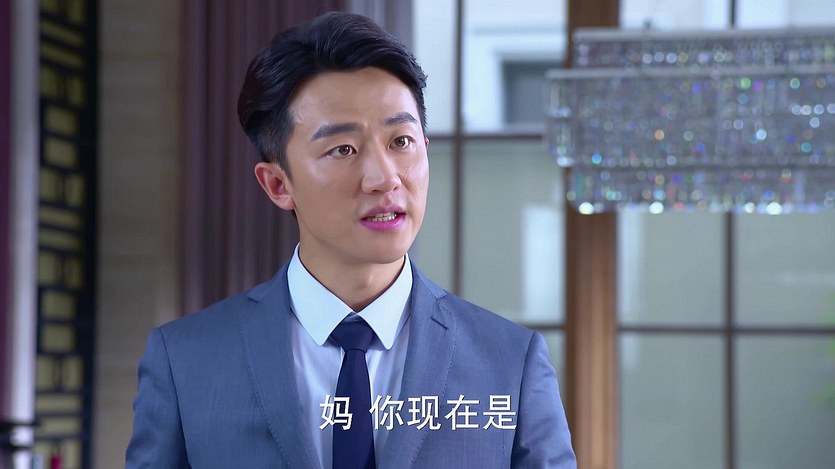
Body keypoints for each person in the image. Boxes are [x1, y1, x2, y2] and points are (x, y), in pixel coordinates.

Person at [126, 11, 575, 469]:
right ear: (278, 184)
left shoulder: (510, 362)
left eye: (401, 141)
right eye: (343, 149)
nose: (385, 178)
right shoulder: (186, 360)